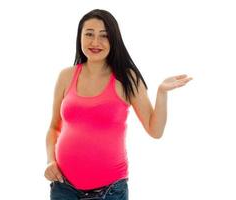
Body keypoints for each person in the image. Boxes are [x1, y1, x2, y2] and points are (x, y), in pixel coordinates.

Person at [44, 9, 192, 200]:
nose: (95, 42)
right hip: (64, 188)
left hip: (110, 191)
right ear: (79, 37)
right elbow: (54, 128)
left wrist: (162, 93)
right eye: (89, 34)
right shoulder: (66, 76)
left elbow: (155, 130)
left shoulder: (126, 78)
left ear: (114, 40)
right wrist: (50, 161)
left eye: (104, 36)